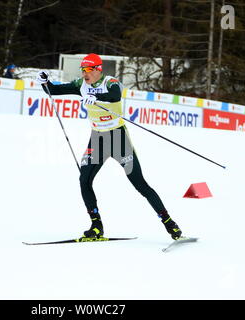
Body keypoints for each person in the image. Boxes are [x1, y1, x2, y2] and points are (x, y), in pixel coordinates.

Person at [36, 53, 183, 240]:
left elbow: (114, 96)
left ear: (98, 70)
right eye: (83, 70)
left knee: (139, 184)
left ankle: (170, 223)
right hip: (98, 139)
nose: (85, 74)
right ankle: (96, 226)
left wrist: (95, 97)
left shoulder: (111, 81)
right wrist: (44, 82)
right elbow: (53, 91)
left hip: (118, 138)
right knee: (84, 180)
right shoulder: (80, 85)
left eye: (89, 70)